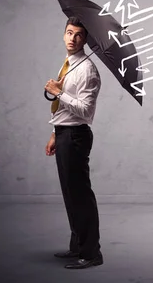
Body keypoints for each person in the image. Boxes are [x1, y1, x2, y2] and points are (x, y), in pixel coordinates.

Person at [44, 16, 103, 269]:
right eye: (69, 32)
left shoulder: (88, 70)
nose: (72, 38)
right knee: (70, 194)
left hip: (77, 137)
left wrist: (58, 92)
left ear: (86, 39)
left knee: (80, 195)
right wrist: (55, 133)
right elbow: (66, 109)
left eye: (78, 35)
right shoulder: (70, 63)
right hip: (65, 134)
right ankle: (77, 246)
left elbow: (86, 112)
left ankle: (91, 253)